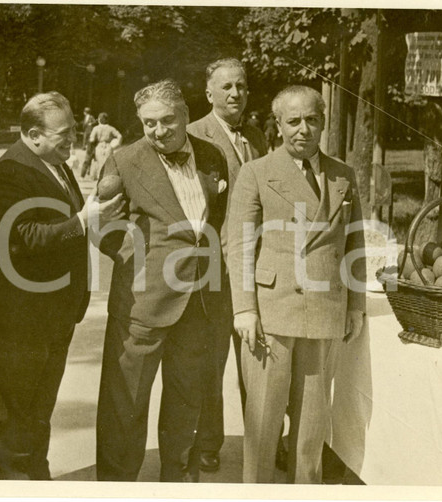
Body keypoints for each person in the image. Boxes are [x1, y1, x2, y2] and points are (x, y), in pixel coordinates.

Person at [0, 92, 124, 480]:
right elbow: (24, 237)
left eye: (75, 127)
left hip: (54, 316)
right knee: (15, 422)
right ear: (33, 135)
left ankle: (37, 481)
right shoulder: (8, 171)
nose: (74, 138)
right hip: (18, 322)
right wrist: (83, 219)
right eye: (65, 133)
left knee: (38, 414)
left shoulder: (54, 163)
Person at [228, 85, 366, 484]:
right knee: (263, 424)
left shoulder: (344, 175)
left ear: (323, 122)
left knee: (312, 426)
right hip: (272, 312)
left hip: (324, 311)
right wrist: (244, 308)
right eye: (293, 121)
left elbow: (354, 242)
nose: (302, 130)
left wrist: (355, 304)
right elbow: (237, 245)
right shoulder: (255, 172)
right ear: (278, 125)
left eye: (312, 120)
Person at [95, 79, 229, 482]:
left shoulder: (212, 156)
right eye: (149, 123)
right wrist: (144, 263)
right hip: (143, 303)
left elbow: (214, 218)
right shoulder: (123, 161)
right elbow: (103, 229)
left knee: (187, 397)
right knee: (126, 404)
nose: (158, 131)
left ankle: (177, 479)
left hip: (198, 303)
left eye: (167, 121)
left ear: (186, 117)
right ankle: (117, 486)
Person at [186, 57, 266, 473]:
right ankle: (207, 442)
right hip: (214, 267)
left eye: (242, 86)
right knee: (211, 359)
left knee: (257, 360)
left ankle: (262, 440)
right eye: (227, 87)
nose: (236, 93)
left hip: (256, 265)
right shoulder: (192, 135)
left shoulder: (257, 136)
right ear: (209, 93)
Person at [88, 112, 122, 180]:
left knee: (99, 163)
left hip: (99, 147)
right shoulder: (111, 128)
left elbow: (91, 139)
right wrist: (117, 144)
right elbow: (119, 136)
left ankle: (99, 178)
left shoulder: (96, 128)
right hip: (108, 147)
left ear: (99, 119)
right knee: (107, 163)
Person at [79, 106, 98, 178]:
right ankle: (83, 146)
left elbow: (95, 121)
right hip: (86, 130)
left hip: (89, 131)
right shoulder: (86, 117)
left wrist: (91, 124)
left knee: (87, 140)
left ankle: (88, 171)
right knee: (84, 139)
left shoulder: (91, 117)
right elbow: (84, 123)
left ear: (86, 112)